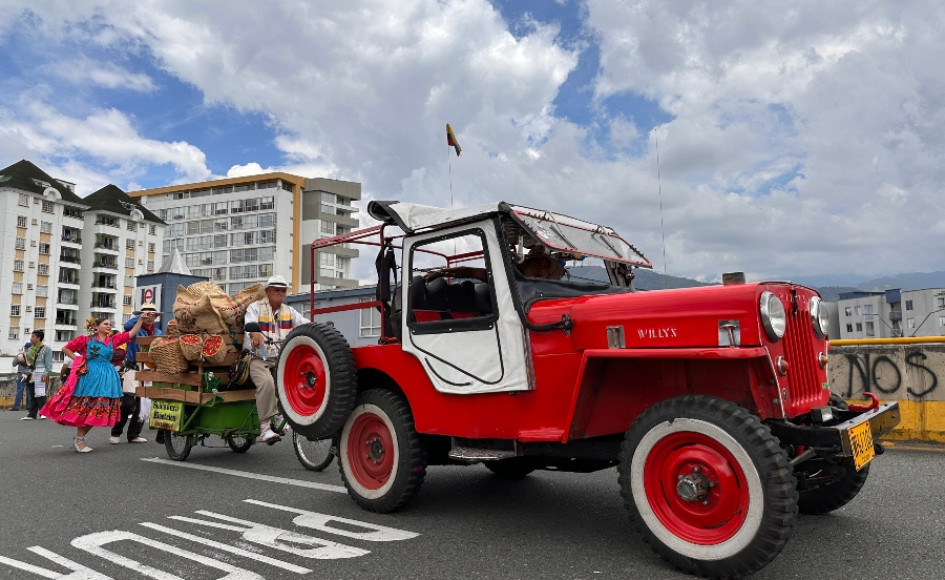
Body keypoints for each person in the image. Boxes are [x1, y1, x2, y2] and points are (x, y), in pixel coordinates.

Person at [46, 316, 146, 453]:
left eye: (110, 324)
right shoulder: (85, 340)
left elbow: (131, 333)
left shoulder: (113, 340)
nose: (109, 326)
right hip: (90, 377)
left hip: (107, 377)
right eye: (105, 324)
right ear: (96, 327)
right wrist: (80, 360)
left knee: (97, 410)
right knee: (87, 408)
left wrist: (140, 320)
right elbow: (66, 348)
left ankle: (79, 438)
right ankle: (79, 439)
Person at [244, 274, 309, 444]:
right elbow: (249, 323)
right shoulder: (255, 307)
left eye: (283, 290)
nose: (280, 293)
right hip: (258, 357)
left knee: (295, 382)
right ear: (267, 291)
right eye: (276, 290)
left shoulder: (289, 311)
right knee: (267, 383)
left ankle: (280, 414)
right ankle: (265, 427)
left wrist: (320, 328)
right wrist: (254, 333)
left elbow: (304, 323)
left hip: (281, 358)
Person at [110, 304, 162, 444]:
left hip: (149, 370)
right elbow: (127, 326)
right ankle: (116, 432)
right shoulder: (135, 329)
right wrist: (140, 317)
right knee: (127, 403)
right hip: (132, 367)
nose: (150, 318)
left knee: (143, 405)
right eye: (147, 315)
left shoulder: (158, 333)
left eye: (153, 315)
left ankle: (133, 434)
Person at [424, 245, 566, 282]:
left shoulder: (547, 290)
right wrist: (441, 272)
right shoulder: (506, 280)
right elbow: (471, 272)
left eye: (546, 267)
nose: (542, 271)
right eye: (537, 265)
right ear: (525, 266)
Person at [22, 331, 52, 420]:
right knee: (32, 393)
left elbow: (49, 363)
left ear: (38, 338)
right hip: (31, 372)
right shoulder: (30, 349)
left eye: (33, 336)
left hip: (41, 371)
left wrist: (45, 373)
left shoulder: (46, 349)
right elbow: (28, 363)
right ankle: (32, 414)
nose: (31, 338)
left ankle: (43, 412)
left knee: (40, 393)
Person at [12, 342, 31, 412]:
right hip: (29, 374)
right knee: (29, 391)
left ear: (25, 348)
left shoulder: (20, 355)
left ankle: (16, 406)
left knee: (20, 390)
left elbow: (14, 364)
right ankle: (29, 406)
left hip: (21, 374)